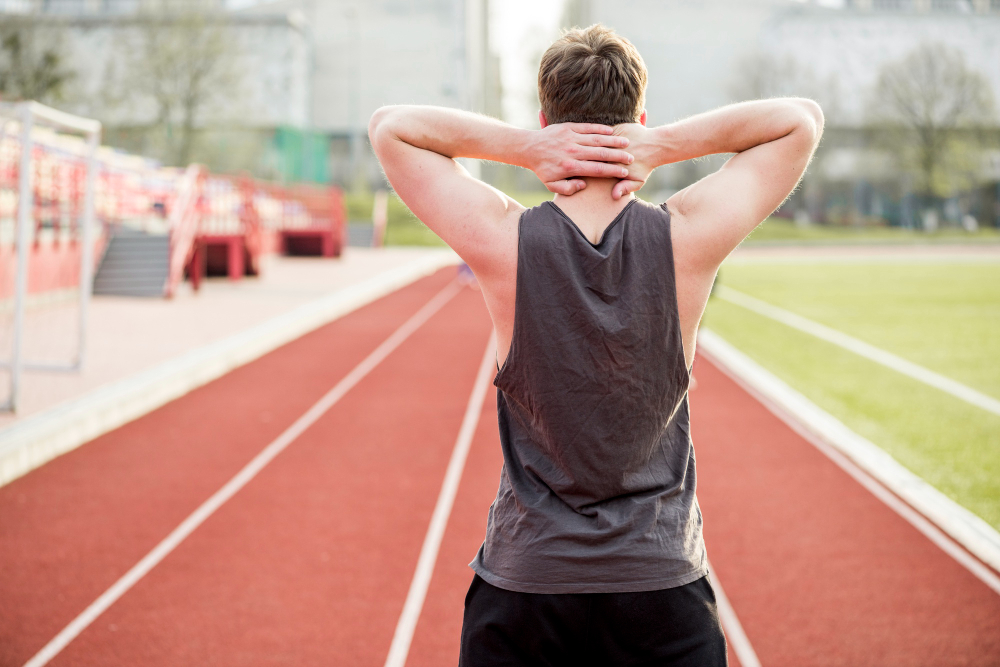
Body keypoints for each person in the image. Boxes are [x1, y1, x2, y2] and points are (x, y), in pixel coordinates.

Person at [370, 23, 823, 667]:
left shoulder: (504, 240)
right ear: (638, 116)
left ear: (546, 117)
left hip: (528, 587)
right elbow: (798, 121)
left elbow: (393, 127)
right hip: (659, 587)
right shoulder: (688, 237)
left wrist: (527, 148)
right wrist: (660, 145)